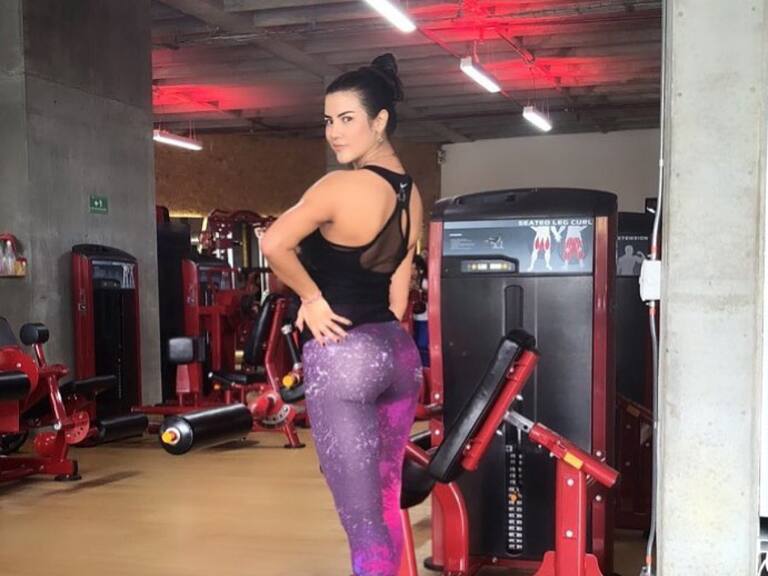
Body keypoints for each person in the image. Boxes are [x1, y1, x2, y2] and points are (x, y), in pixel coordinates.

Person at [260, 53, 424, 576]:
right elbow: (399, 294)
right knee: (386, 499)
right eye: (328, 120)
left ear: (380, 121)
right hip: (398, 356)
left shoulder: (339, 186)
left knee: (362, 520)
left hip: (344, 357)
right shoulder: (412, 195)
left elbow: (274, 243)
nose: (333, 132)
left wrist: (312, 298)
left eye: (347, 118)